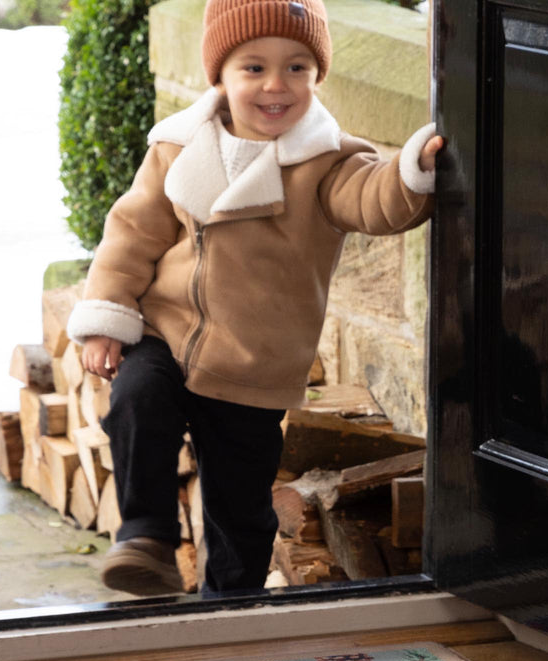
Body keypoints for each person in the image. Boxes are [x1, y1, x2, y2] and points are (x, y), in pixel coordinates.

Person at [67, 0, 443, 598]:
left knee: (239, 502)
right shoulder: (176, 147)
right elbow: (131, 234)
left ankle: (233, 602)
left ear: (318, 77)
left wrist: (411, 171)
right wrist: (107, 316)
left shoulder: (327, 163)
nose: (276, 84)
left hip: (252, 364)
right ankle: (146, 538)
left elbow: (373, 198)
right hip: (168, 330)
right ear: (220, 75)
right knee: (137, 399)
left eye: (298, 67)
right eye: (253, 68)